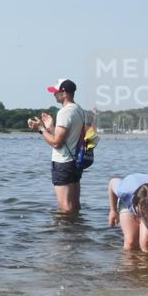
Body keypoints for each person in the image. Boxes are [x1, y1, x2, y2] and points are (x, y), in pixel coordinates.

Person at [27, 78, 87, 214]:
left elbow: (56, 143)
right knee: (75, 204)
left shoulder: (64, 112)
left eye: (56, 92)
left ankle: (65, 228)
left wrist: (41, 129)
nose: (54, 94)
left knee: (65, 207)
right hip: (76, 162)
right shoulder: (80, 110)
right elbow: (67, 138)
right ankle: (77, 226)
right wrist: (51, 128)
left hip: (63, 163)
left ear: (64, 93)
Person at [108, 174, 148, 252]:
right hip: (128, 202)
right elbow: (112, 182)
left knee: (146, 244)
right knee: (130, 242)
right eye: (143, 211)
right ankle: (130, 259)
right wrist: (113, 210)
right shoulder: (124, 191)